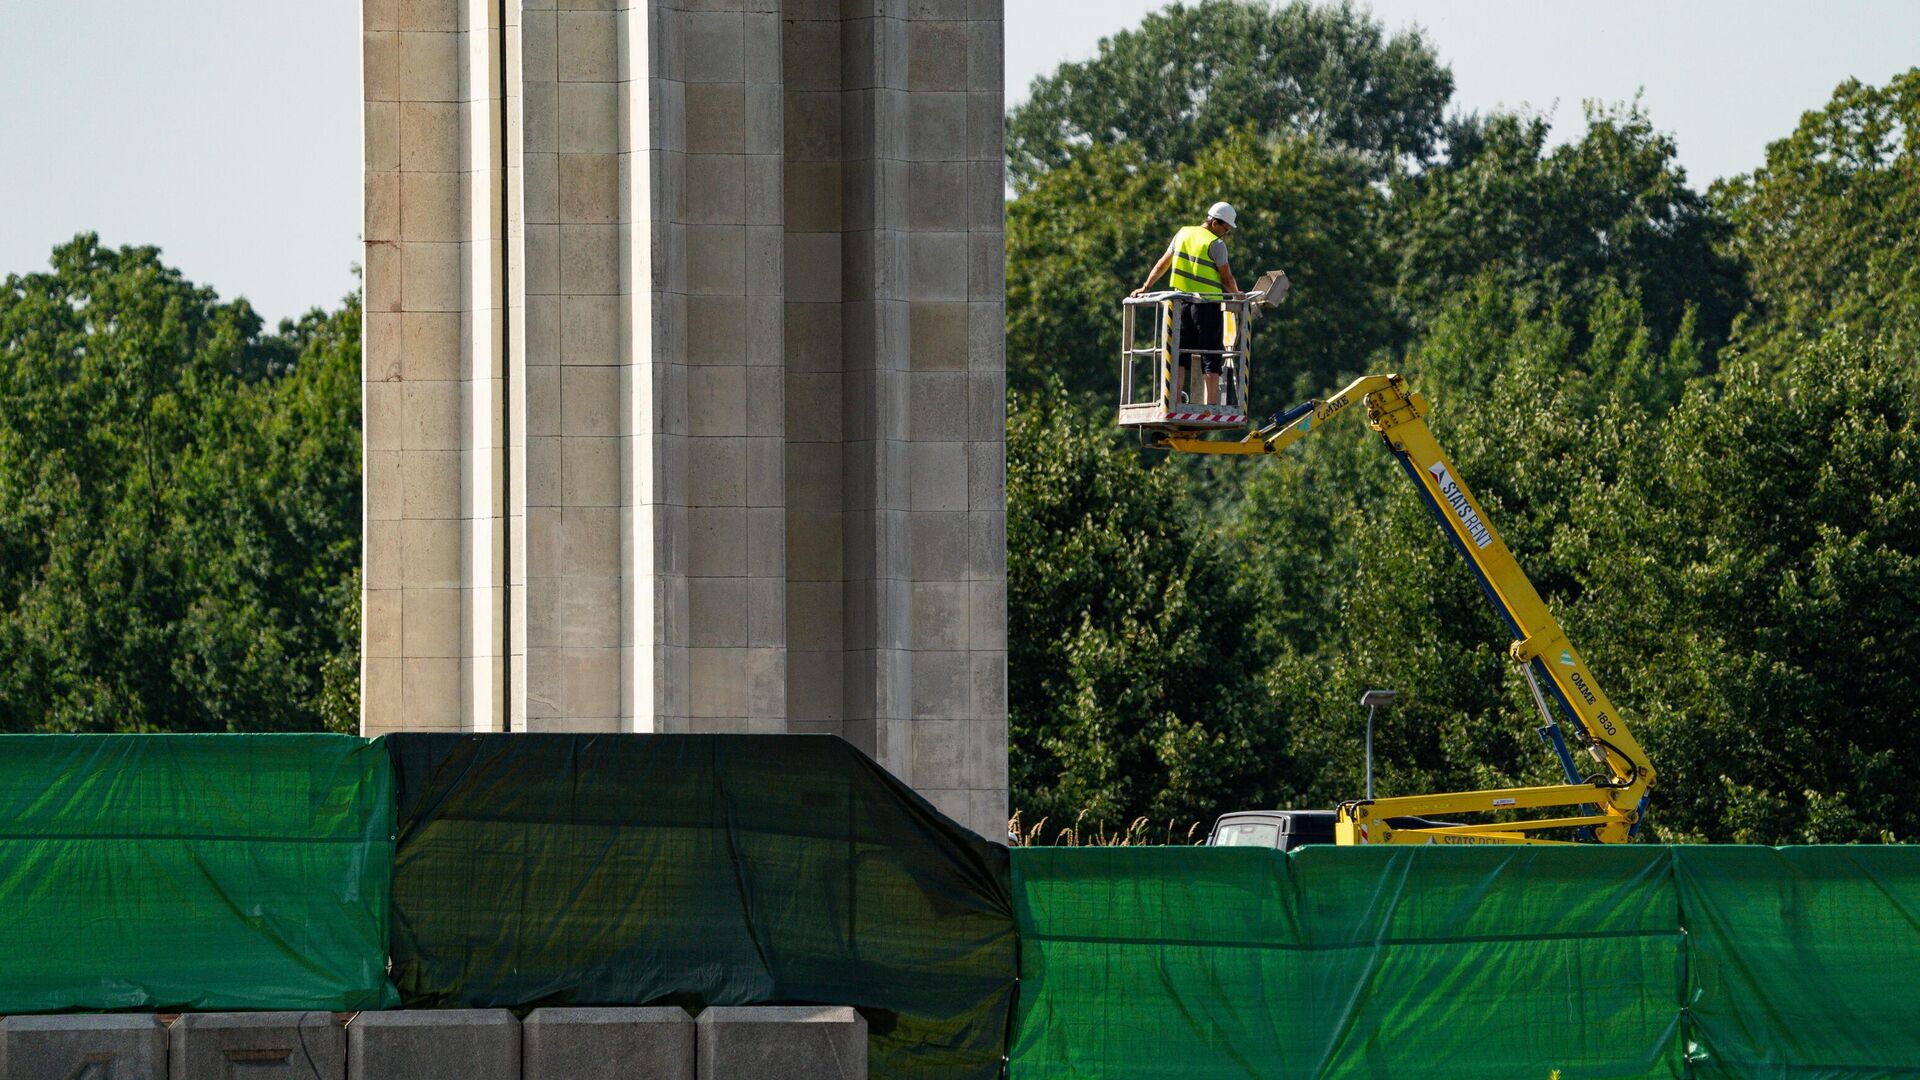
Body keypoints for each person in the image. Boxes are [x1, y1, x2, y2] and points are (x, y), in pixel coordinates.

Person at [1131, 201, 1242, 405]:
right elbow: (1227, 279)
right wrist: (1238, 296)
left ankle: (1174, 400)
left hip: (1180, 305)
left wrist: (1145, 287)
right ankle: (1211, 406)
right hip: (1207, 307)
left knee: (1179, 354)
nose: (1225, 234)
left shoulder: (1182, 234)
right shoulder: (1215, 244)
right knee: (1211, 355)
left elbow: (1161, 264)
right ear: (1215, 222)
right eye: (1225, 229)